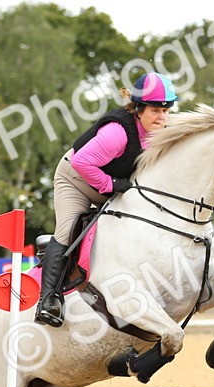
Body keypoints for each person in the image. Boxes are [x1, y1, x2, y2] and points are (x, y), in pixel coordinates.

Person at [34, 72, 178, 327]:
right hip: (76, 179)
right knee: (68, 232)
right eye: (156, 110)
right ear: (138, 108)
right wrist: (110, 185)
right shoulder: (118, 133)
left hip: (108, 183)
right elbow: (82, 162)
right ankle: (48, 301)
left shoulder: (162, 129)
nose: (163, 117)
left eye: (167, 111)